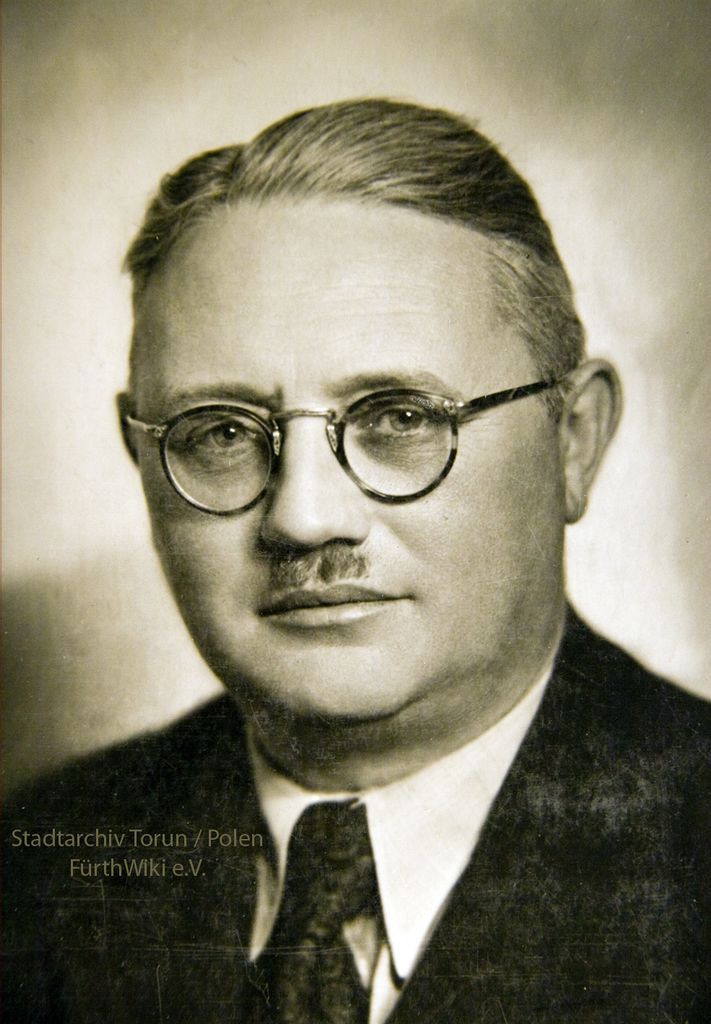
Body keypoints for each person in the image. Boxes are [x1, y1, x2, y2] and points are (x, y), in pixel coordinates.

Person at [3, 99, 709, 1023]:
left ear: (572, 440)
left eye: (400, 418)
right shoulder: (38, 868)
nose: (302, 519)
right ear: (140, 458)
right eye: (221, 433)